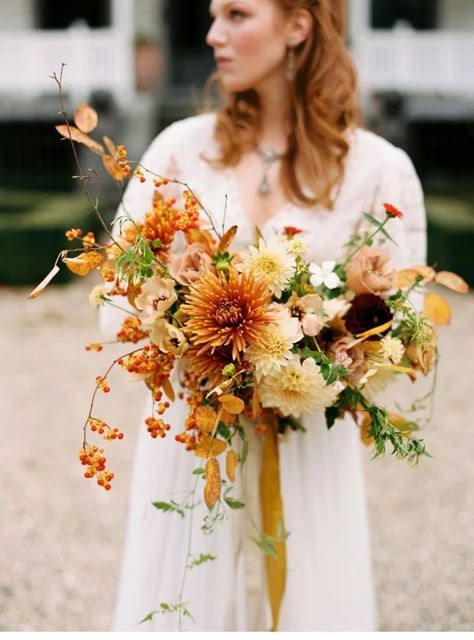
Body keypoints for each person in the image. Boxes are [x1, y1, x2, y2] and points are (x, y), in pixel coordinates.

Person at [103, 0, 426, 631]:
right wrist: (194, 332)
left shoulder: (379, 169)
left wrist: (317, 351)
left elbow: (400, 322)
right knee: (182, 599)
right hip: (197, 441)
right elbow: (118, 303)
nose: (212, 34)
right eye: (214, 15)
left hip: (310, 435)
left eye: (236, 15)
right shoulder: (179, 151)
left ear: (297, 25)